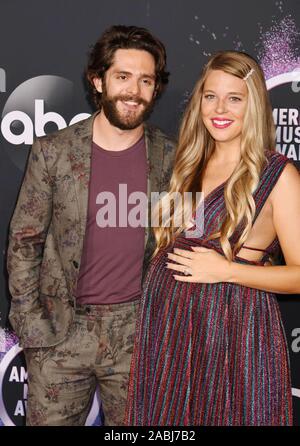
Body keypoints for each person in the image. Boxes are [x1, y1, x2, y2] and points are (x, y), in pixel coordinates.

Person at [7, 25, 176, 426]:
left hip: (138, 333)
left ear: (155, 88)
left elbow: (180, 244)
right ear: (98, 80)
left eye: (145, 80)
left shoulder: (171, 157)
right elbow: (23, 243)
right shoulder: (54, 152)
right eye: (122, 76)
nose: (134, 91)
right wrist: (34, 329)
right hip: (62, 333)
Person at [125, 50, 300, 426]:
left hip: (233, 335)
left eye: (234, 98)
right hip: (171, 334)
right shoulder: (190, 163)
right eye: (210, 96)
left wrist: (227, 270)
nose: (219, 108)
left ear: (253, 106)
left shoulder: (278, 175)